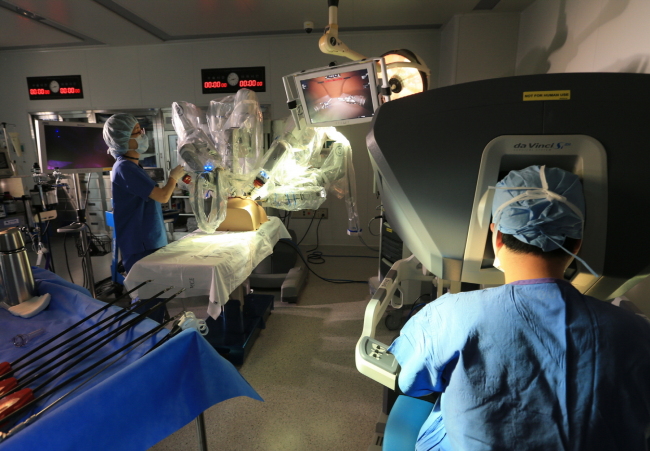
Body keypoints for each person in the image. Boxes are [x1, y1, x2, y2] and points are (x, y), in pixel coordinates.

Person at [388, 165, 650, 450]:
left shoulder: (449, 315)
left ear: (497, 237)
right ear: (577, 245)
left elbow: (412, 383)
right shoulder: (634, 331)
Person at [103, 113, 184, 320]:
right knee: (148, 299)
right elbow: (163, 196)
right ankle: (147, 341)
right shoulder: (124, 168)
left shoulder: (133, 166)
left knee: (156, 296)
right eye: (137, 132)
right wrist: (173, 177)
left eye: (141, 130)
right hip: (140, 245)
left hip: (147, 241)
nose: (142, 135)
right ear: (122, 139)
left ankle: (157, 334)